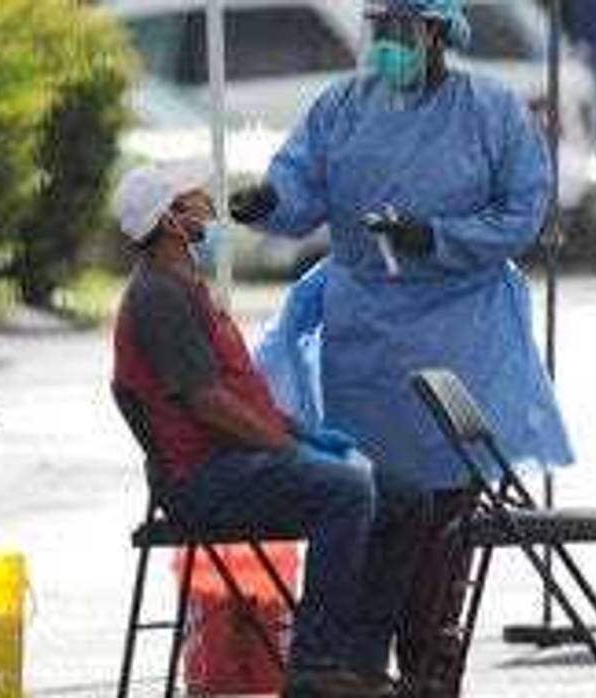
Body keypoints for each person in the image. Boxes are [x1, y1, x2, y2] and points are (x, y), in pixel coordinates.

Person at [230, 0, 574, 694]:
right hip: (364, 339)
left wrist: (436, 238)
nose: (385, 44)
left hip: (458, 328)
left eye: (399, 31)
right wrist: (268, 203)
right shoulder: (343, 105)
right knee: (369, 509)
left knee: (445, 522)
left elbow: (521, 211)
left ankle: (428, 664)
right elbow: (299, 184)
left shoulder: (491, 111)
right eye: (377, 30)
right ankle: (362, 669)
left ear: (439, 32)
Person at [111, 160, 391, 697]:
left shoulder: (185, 284)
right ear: (169, 220)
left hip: (236, 463)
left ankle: (365, 656)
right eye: (189, 197)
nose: (203, 204)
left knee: (398, 493)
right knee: (348, 492)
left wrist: (304, 435)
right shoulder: (157, 297)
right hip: (203, 480)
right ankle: (316, 665)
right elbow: (207, 403)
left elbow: (240, 395)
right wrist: (288, 448)